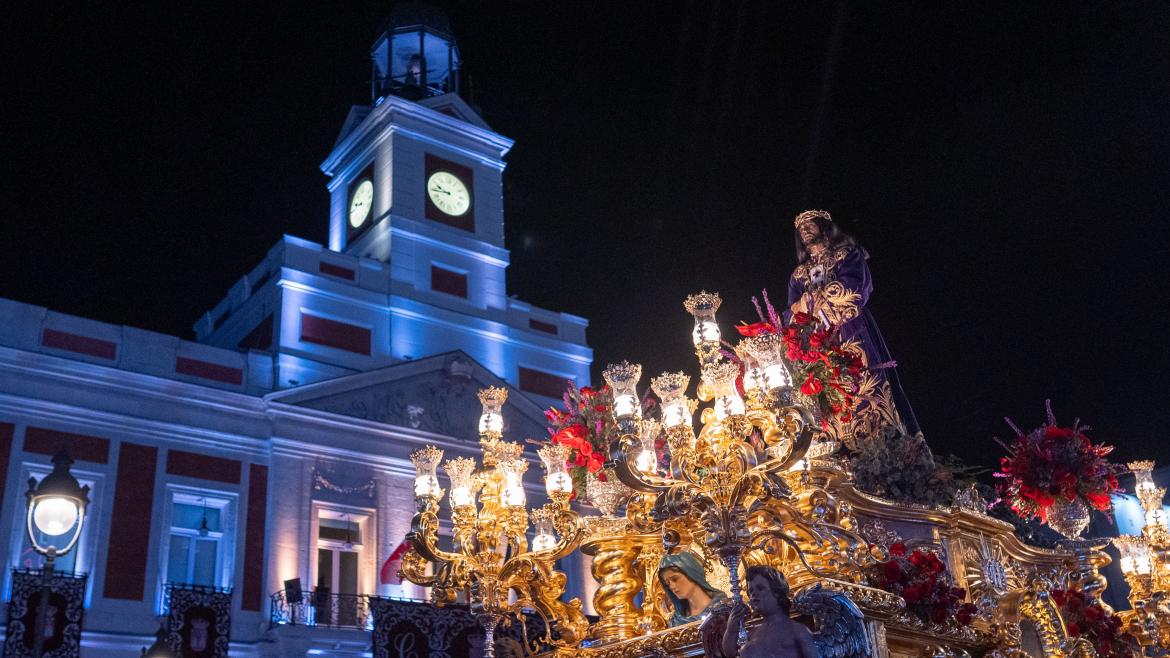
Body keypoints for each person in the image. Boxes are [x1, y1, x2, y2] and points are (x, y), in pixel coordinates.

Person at [787, 209, 920, 436]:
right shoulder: (798, 275)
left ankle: (884, 450)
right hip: (818, 343)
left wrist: (823, 296)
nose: (804, 230)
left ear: (824, 226)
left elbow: (857, 287)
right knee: (825, 397)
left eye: (810, 224)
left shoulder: (847, 254)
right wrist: (800, 306)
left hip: (852, 330)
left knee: (865, 386)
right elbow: (790, 312)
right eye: (800, 228)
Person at [722, 566, 819, 658]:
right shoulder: (753, 633)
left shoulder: (797, 630)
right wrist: (731, 628)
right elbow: (729, 652)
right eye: (750, 591)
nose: (754, 593)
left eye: (760, 588)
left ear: (777, 592)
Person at [657, 551, 728, 626]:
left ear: (691, 573)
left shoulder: (722, 608)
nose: (672, 587)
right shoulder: (677, 621)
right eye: (667, 584)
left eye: (675, 579)